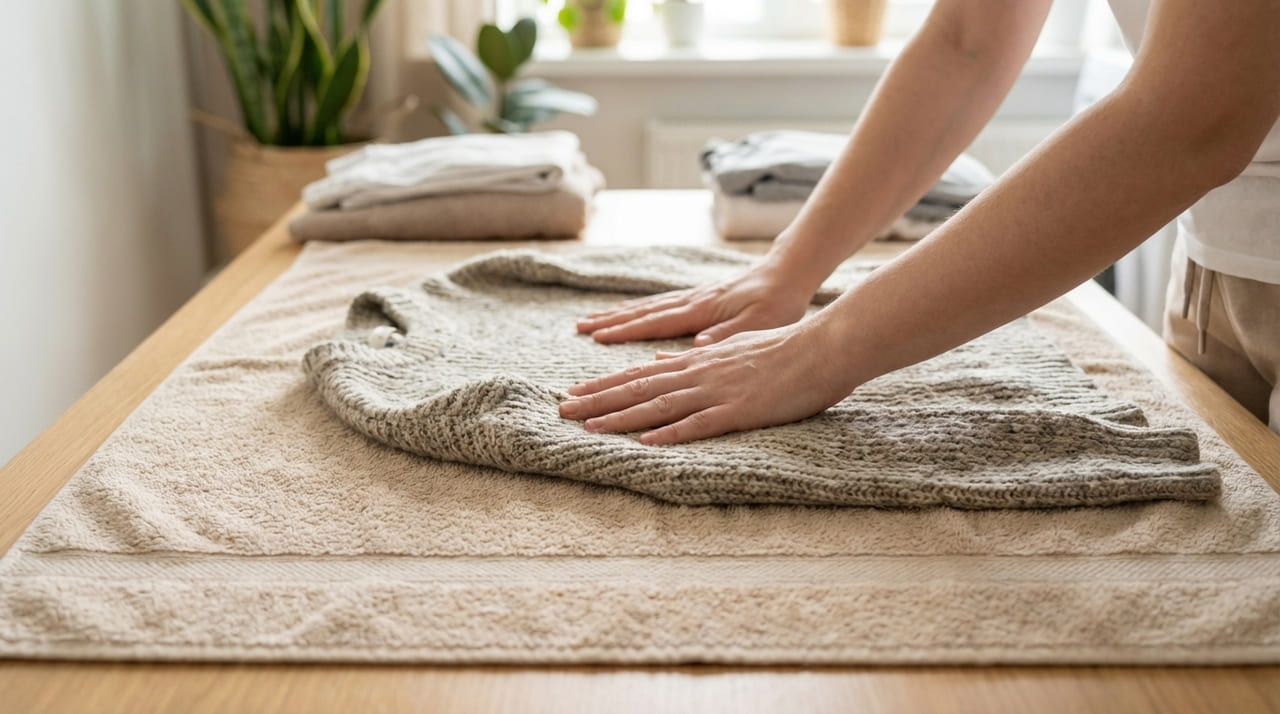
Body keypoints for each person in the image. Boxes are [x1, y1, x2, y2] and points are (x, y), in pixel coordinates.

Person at [558, 0, 1280, 443]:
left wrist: (819, 350)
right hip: (1215, 280)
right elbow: (968, 39)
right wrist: (790, 269)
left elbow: (1195, 120)